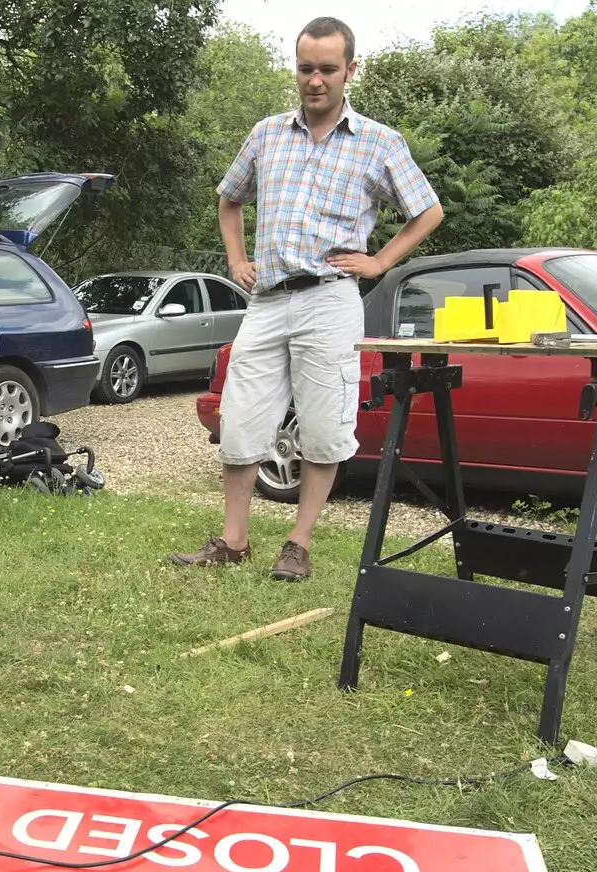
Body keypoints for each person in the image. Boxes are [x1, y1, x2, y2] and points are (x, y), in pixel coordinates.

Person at [170, 16, 444, 581]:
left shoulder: (379, 142)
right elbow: (229, 200)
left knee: (323, 427)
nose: (314, 79)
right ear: (295, 69)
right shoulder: (267, 133)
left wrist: (380, 261)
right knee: (239, 419)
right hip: (268, 301)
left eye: (326, 68)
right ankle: (233, 539)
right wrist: (236, 259)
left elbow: (429, 211)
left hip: (330, 299)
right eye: (305, 68)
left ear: (350, 70)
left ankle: (298, 542)